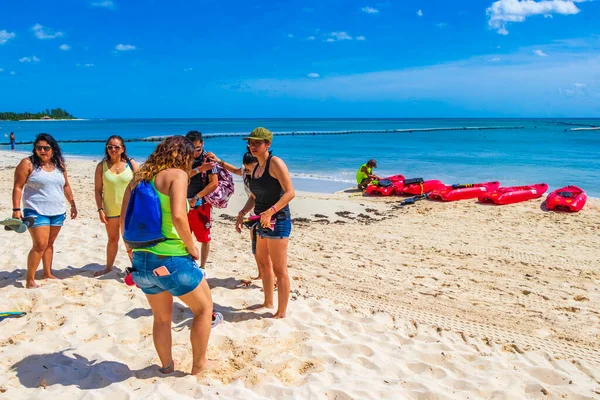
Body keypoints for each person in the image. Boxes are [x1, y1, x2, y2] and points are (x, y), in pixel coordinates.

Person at [121, 135, 213, 375]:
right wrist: (191, 247)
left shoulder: (138, 180)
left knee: (161, 318)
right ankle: (199, 367)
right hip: (171, 258)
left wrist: (131, 252)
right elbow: (179, 216)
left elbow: (124, 222)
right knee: (204, 310)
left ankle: (166, 366)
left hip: (141, 262)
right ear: (183, 156)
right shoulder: (177, 175)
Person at [235, 127, 294, 318]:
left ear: (268, 144)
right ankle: (268, 301)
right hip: (260, 221)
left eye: (257, 143)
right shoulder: (256, 168)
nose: (252, 146)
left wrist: (271, 211)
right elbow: (254, 196)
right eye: (250, 143)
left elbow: (290, 192)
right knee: (263, 263)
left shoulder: (275, 163)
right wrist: (242, 212)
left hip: (278, 220)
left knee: (279, 268)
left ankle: (281, 311)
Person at [11, 133, 77, 288]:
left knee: (49, 244)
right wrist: (16, 209)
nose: (42, 151)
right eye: (39, 147)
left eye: (46, 148)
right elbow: (18, 187)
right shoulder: (27, 164)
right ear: (35, 148)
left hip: (57, 211)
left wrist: (73, 204)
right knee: (39, 244)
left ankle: (47, 273)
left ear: (52, 149)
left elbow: (65, 185)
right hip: (35, 211)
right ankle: (30, 279)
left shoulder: (59, 164)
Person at [207, 150, 263, 280]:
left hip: (266, 214)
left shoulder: (262, 176)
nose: (248, 172)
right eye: (247, 169)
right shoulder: (245, 171)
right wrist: (219, 161)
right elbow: (236, 170)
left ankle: (272, 277)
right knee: (255, 246)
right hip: (253, 213)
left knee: (265, 247)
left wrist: (241, 214)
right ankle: (261, 273)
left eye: (250, 169)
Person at [93, 135, 138, 277]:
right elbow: (98, 190)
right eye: (110, 147)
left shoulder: (131, 164)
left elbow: (141, 186)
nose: (113, 149)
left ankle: (136, 268)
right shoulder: (102, 166)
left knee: (130, 241)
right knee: (112, 240)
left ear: (122, 149)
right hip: (110, 210)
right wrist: (100, 209)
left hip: (130, 210)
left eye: (116, 147)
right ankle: (108, 267)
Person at [185, 131, 218, 270]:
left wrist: (196, 198)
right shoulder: (183, 158)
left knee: (204, 238)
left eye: (198, 149)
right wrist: (199, 169)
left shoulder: (208, 159)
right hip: (182, 202)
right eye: (192, 149)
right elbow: (181, 176)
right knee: (183, 236)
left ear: (203, 144)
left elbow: (214, 183)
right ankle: (186, 263)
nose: (195, 153)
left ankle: (203, 267)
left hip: (201, 205)